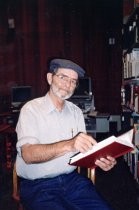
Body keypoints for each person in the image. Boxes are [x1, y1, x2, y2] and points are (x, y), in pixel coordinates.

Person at [15, 58, 117, 210]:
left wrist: (100, 160)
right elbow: (28, 155)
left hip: (72, 181)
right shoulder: (31, 110)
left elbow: (83, 152)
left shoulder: (76, 112)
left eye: (73, 81)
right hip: (38, 186)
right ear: (50, 78)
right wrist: (70, 144)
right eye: (63, 77)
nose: (68, 85)